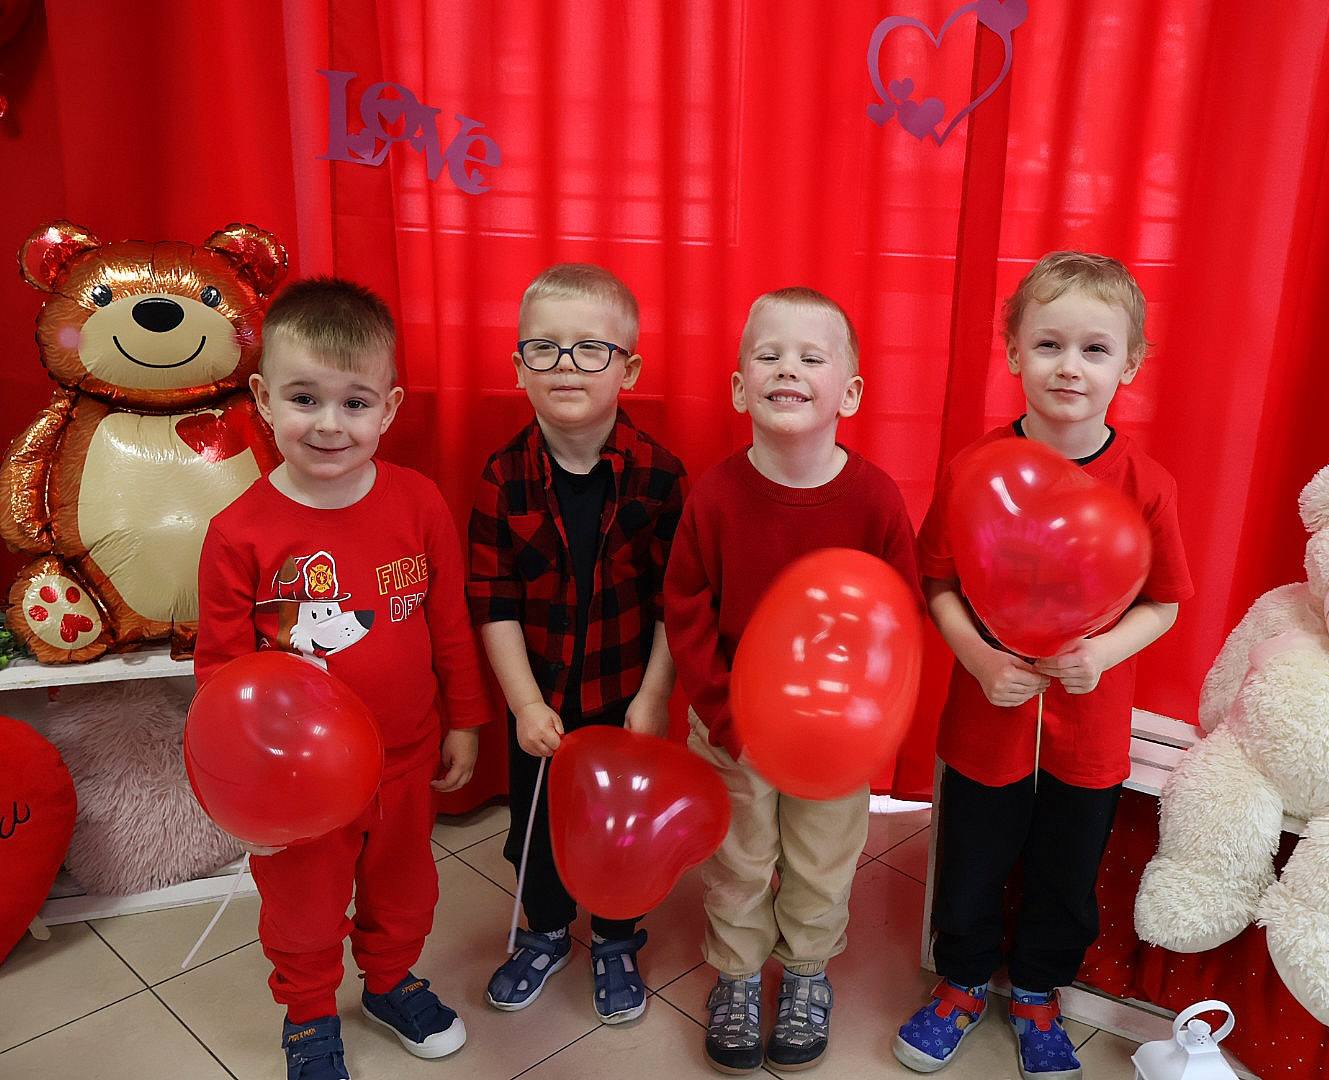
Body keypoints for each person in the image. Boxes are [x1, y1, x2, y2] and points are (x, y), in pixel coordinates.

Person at [892, 252, 1194, 1079]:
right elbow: (937, 582)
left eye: (1095, 349)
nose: (1070, 367)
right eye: (1049, 344)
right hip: (987, 716)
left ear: (1130, 364)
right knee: (971, 861)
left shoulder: (1147, 485)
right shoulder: (971, 469)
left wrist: (1102, 652)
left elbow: (1164, 604)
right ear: (1014, 352)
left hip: (1087, 728)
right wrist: (979, 658)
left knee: (1066, 870)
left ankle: (1036, 992)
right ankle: (960, 981)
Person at [197, 277, 487, 1080]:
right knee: (304, 910)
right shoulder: (237, 533)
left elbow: (449, 623)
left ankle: (390, 983)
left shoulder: (419, 503)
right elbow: (220, 676)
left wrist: (466, 719)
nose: (330, 424)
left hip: (406, 757)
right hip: (299, 787)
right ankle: (309, 1016)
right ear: (263, 399)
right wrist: (243, 794)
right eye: (304, 398)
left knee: (406, 894)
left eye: (355, 403)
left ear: (388, 409)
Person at [665, 287, 919, 1073]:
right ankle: (738, 975)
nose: (788, 369)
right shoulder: (715, 494)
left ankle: (807, 970)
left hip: (833, 735)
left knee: (822, 857)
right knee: (738, 857)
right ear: (740, 388)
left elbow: (899, 615)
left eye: (811, 358)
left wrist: (864, 719)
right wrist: (724, 713)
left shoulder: (875, 498)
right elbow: (686, 609)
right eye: (768, 355)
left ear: (850, 392)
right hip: (732, 723)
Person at [468, 263, 686, 1025]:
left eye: (591, 348)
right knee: (540, 829)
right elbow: (491, 600)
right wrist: (524, 704)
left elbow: (673, 603)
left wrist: (653, 698)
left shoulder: (660, 476)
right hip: (541, 705)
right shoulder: (503, 476)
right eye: (545, 348)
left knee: (618, 830)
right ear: (518, 367)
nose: (566, 365)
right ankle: (547, 930)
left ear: (630, 369)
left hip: (625, 702)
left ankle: (618, 937)